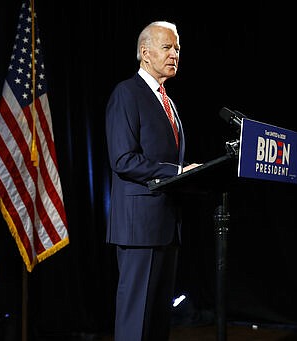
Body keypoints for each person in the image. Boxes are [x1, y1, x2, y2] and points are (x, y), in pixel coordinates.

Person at [105, 20, 200, 341]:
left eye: (177, 49)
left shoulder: (168, 101)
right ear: (145, 53)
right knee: (136, 320)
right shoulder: (126, 93)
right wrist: (177, 172)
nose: (175, 54)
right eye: (167, 47)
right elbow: (123, 159)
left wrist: (191, 172)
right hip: (138, 226)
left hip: (166, 224)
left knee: (157, 319)